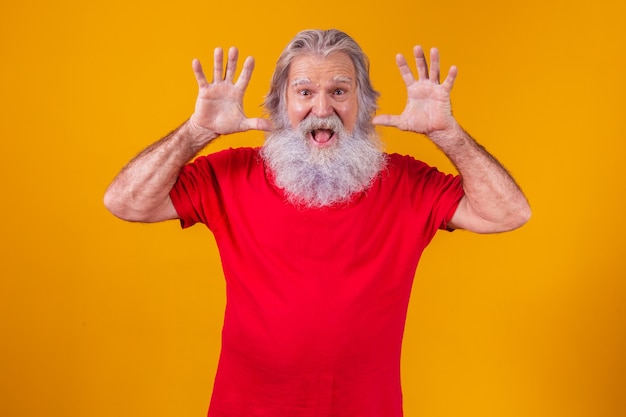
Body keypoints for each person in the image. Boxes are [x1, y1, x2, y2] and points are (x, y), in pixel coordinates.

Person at [104, 29, 530, 417]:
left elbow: (508, 213)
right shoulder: (230, 175)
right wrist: (197, 132)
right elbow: (125, 202)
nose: (321, 108)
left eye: (339, 91)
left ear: (361, 104)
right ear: (280, 103)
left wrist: (447, 134)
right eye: (304, 91)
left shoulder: (406, 182)